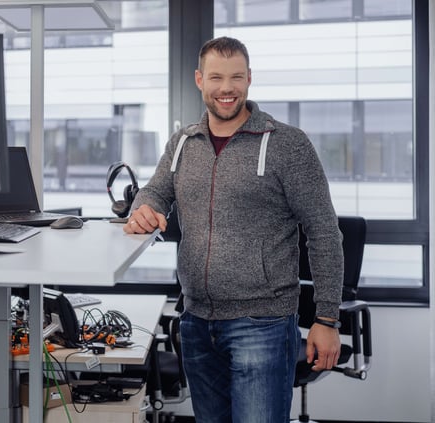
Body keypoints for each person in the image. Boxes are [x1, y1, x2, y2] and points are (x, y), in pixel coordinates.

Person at [123, 36, 344, 423]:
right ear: (199, 80)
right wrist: (145, 208)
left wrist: (326, 320)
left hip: (262, 324)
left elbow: (324, 230)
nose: (226, 88)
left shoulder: (286, 145)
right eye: (216, 77)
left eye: (236, 77)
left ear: (249, 79)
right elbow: (156, 190)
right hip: (195, 323)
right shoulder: (183, 143)